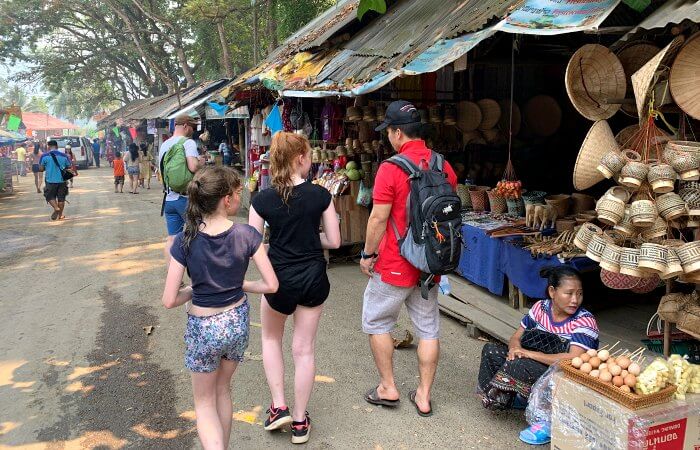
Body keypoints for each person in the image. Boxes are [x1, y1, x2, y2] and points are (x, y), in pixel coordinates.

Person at [162, 166, 278, 450]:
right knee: (223, 389)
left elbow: (169, 299)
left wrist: (194, 289)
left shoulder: (184, 240)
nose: (241, 197)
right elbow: (271, 285)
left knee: (203, 403)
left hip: (204, 327)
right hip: (237, 323)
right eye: (239, 193)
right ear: (227, 199)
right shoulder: (248, 235)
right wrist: (238, 284)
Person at [360, 100, 458, 417]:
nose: (388, 136)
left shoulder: (391, 169)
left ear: (398, 132)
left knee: (377, 321)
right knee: (428, 330)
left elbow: (377, 219)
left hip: (394, 262)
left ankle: (388, 387)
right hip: (430, 264)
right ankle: (424, 395)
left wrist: (367, 255)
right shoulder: (445, 167)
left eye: (388, 131)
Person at [249, 132, 341, 445]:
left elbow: (253, 245)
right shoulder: (321, 195)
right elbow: (335, 241)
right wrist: (307, 239)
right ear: (300, 157)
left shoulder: (262, 199)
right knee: (304, 350)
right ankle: (300, 423)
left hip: (279, 279)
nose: (311, 160)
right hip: (314, 278)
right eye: (309, 155)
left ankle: (279, 407)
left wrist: (270, 272)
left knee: (271, 338)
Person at [478, 266, 598, 445]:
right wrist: (514, 349)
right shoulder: (539, 308)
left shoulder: (584, 321)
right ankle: (516, 398)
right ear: (552, 291)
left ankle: (546, 421)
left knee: (518, 365)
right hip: (534, 363)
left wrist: (528, 354)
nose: (575, 300)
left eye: (579, 294)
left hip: (562, 375)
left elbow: (572, 358)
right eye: (569, 293)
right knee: (491, 351)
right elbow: (516, 336)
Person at [159, 114, 203, 265]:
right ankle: (202, 277)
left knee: (172, 238)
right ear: (185, 126)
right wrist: (201, 162)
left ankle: (175, 280)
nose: (194, 131)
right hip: (185, 199)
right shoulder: (187, 142)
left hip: (169, 199)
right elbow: (193, 166)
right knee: (201, 235)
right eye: (192, 127)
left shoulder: (164, 145)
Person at [39, 140, 71, 220]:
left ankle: (56, 208)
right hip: (62, 180)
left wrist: (47, 167)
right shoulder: (64, 156)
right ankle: (60, 215)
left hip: (50, 180)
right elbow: (68, 166)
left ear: (48, 146)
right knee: (61, 198)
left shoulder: (44, 156)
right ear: (57, 146)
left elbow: (41, 169)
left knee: (49, 196)